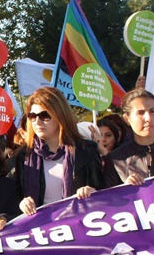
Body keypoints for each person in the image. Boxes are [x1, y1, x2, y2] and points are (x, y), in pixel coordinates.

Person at [14, 87, 103, 218]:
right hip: (40, 230)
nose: (37, 122)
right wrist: (21, 203)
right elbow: (11, 199)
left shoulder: (86, 149)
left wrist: (92, 192)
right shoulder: (23, 155)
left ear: (60, 116)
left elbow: (105, 190)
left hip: (79, 225)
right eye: (32, 116)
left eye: (44, 116)